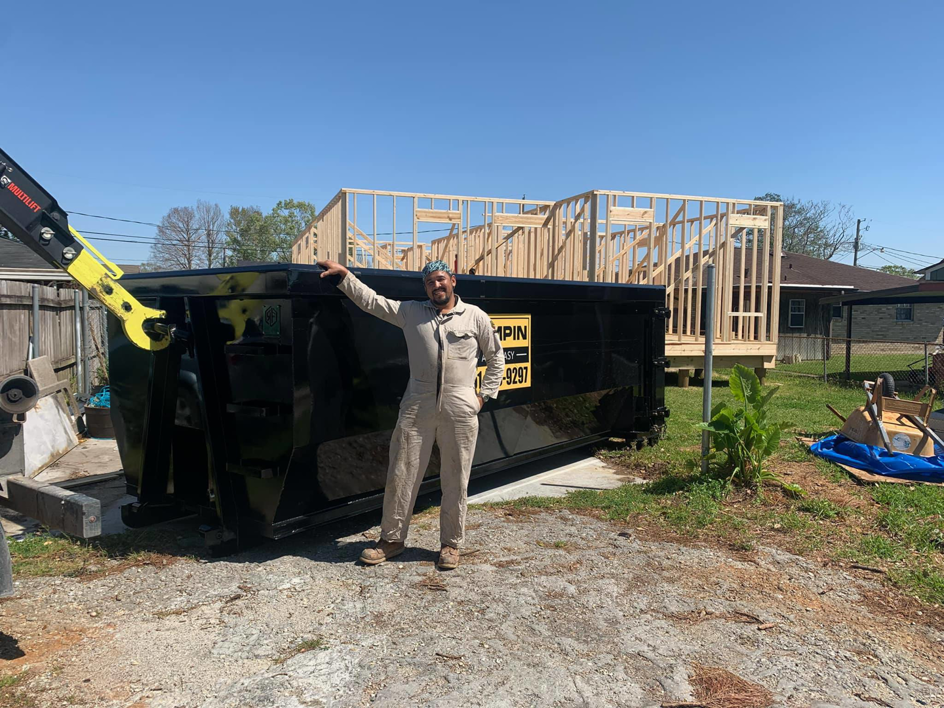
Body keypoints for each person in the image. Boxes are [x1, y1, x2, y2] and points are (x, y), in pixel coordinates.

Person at [317, 258, 504, 570]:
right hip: (417, 403)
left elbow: (496, 357)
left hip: (460, 406)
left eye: (441, 279)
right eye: (430, 282)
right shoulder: (411, 312)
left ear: (453, 281)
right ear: (425, 287)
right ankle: (391, 540)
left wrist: (483, 396)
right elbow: (372, 303)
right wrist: (345, 278)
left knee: (456, 477)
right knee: (402, 473)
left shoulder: (475, 317)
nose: (436, 286)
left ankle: (450, 545)